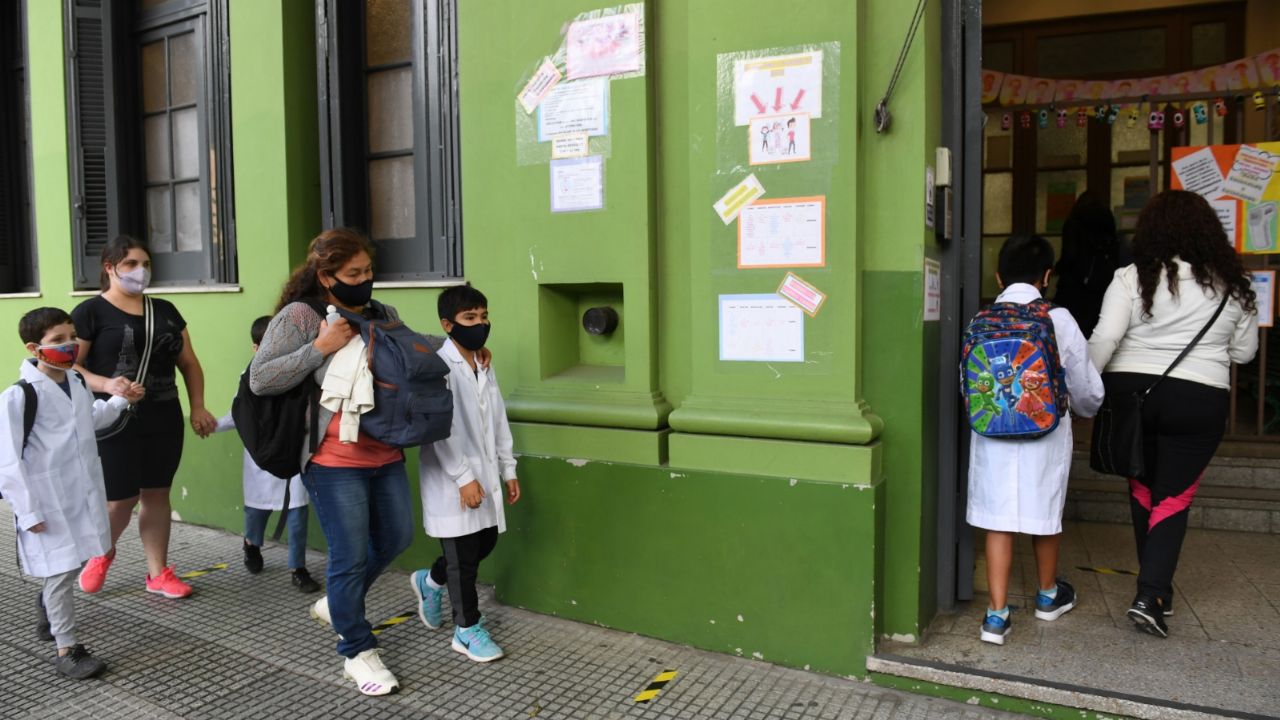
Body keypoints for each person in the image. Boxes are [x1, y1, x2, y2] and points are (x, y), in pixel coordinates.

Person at [250, 228, 477, 695]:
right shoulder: (300, 315)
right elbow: (261, 378)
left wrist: (461, 347)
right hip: (332, 457)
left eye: (369, 271)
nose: (365, 280)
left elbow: (409, 348)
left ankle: (338, 602)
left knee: (396, 537)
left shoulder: (381, 312)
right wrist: (321, 346)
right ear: (325, 276)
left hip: (385, 448)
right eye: (354, 273)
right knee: (349, 555)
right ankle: (356, 649)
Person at [1088, 190, 1258, 638]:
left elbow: (1104, 340)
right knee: (1174, 497)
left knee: (1144, 487)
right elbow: (1245, 351)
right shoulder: (1231, 283)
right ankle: (1152, 593)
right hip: (1200, 399)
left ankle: (1155, 590)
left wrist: (1080, 389)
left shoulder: (1131, 277)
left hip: (1132, 394)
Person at [968, 235, 1104, 645]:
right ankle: (1047, 596)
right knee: (1044, 511)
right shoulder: (1058, 319)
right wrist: (1087, 409)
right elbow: (1085, 387)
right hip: (1044, 432)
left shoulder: (981, 320)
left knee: (997, 518)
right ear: (1047, 276)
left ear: (997, 276)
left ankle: (996, 615)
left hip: (992, 431)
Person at [71, 236, 217, 599]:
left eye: (146, 264)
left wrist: (197, 405)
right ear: (110, 268)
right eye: (132, 264)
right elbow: (71, 365)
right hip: (114, 417)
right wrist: (107, 383)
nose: (142, 271)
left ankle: (158, 573)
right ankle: (101, 552)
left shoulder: (165, 311)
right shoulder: (90, 312)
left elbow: (189, 362)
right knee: (120, 499)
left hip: (163, 415)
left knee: (157, 493)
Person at [0, 308, 140, 677]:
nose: (71, 345)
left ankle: (48, 606)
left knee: (77, 560)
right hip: (47, 502)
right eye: (59, 340)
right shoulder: (19, 397)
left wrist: (121, 401)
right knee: (62, 573)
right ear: (34, 347)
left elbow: (88, 421)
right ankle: (67, 650)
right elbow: (8, 462)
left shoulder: (75, 382)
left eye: (73, 336)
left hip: (82, 493)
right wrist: (28, 512)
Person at [410, 284, 520, 663]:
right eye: (469, 318)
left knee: (485, 542)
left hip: (485, 473)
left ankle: (430, 581)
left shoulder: (482, 364)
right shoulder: (438, 369)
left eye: (484, 316)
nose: (480, 324)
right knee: (462, 559)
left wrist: (508, 468)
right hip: (453, 477)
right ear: (447, 324)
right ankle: (466, 628)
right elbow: (442, 430)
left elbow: (498, 420)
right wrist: (463, 477)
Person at [213, 316, 320, 593]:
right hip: (262, 457)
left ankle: (298, 568)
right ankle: (251, 544)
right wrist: (212, 425)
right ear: (256, 348)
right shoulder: (249, 378)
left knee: (297, 515)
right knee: (256, 513)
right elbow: (240, 415)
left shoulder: (299, 372)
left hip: (295, 455)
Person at [1054, 191, 1120, 338]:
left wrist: (1059, 269)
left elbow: (1070, 254)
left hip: (1073, 287)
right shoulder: (1107, 222)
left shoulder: (1073, 223)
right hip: (1101, 284)